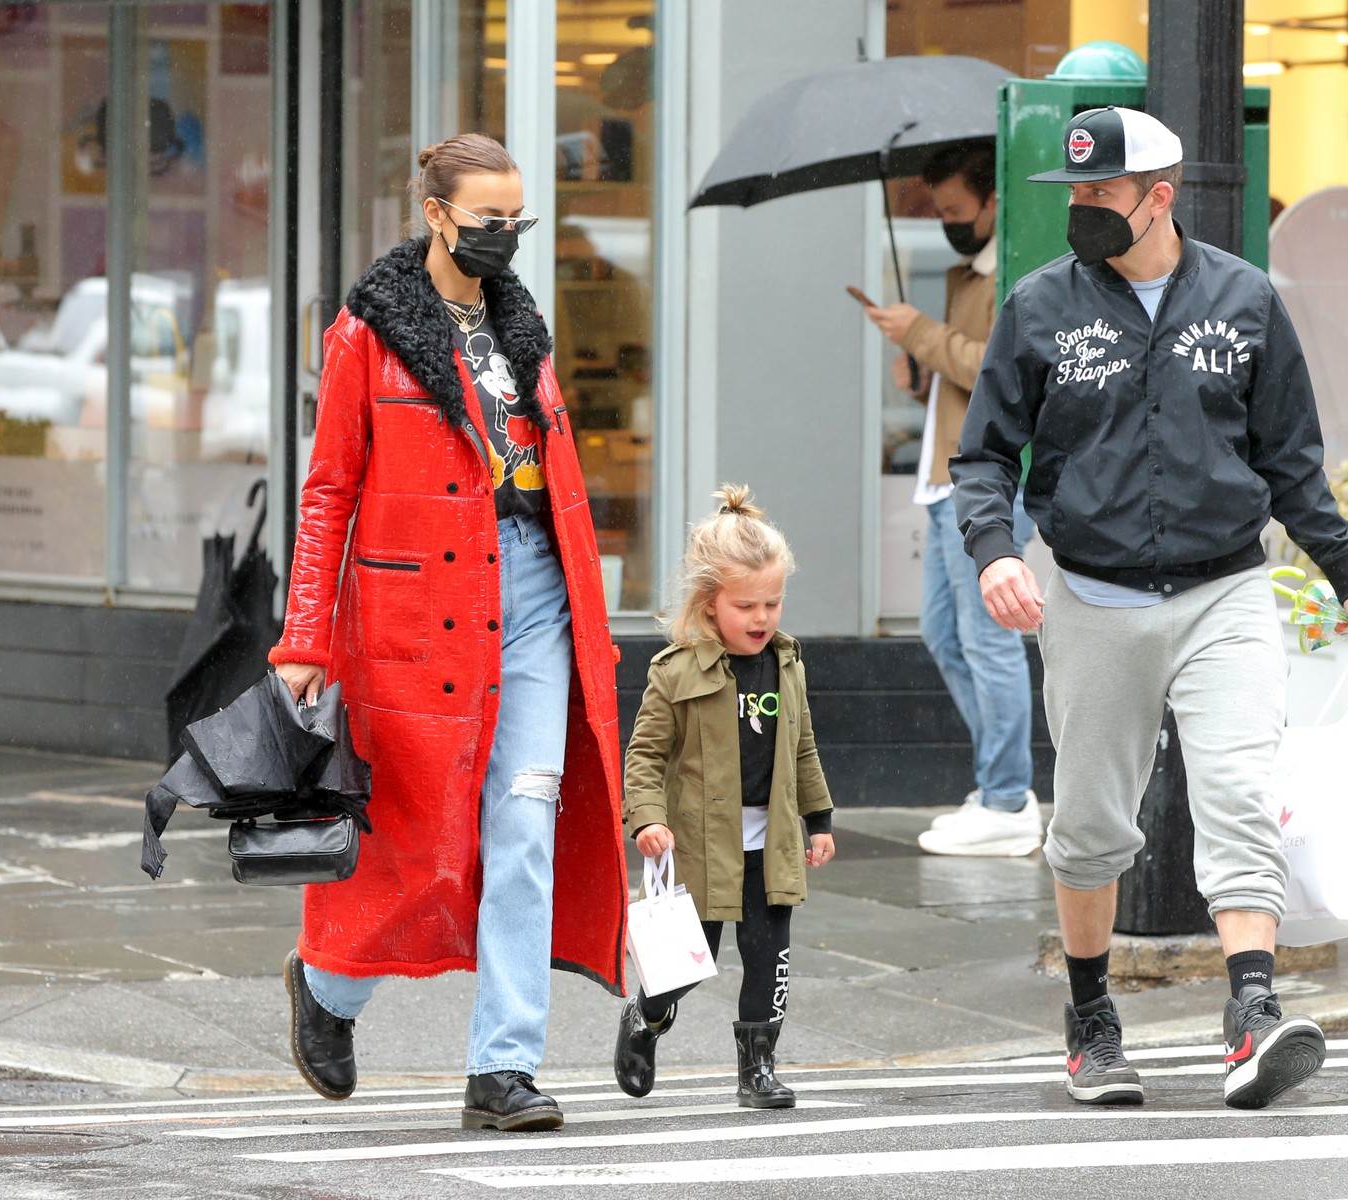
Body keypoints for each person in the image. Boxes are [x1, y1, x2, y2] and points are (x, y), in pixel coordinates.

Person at [952, 107, 1348, 1111]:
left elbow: (1293, 463)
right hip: (1091, 592)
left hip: (1224, 591)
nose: (1080, 208)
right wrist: (991, 554)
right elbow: (984, 454)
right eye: (1072, 192)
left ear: (1160, 196)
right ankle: (1091, 1021)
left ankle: (1251, 1015)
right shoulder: (1039, 308)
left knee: (1238, 792)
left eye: (1099, 192)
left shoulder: (1245, 302)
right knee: (1093, 823)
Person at [267, 133, 628, 1132]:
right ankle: (330, 990)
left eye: (517, 222)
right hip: (416, 612)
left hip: (536, 602)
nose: (504, 239)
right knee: (418, 840)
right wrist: (304, 637)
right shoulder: (367, 331)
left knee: (522, 831)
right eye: (486, 223)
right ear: (435, 215)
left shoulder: (524, 326)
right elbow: (328, 489)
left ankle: (503, 1068)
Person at [613, 485, 836, 1109]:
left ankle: (757, 1070)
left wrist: (818, 821)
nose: (763, 618)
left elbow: (803, 750)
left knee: (769, 960)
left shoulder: (787, 665)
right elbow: (645, 757)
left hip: (772, 844)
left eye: (773, 602)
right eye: (747, 606)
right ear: (711, 604)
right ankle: (646, 1019)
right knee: (688, 962)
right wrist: (646, 820)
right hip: (701, 844)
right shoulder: (676, 671)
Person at [864, 141, 1042, 857]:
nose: (947, 222)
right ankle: (1000, 783)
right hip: (946, 475)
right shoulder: (970, 272)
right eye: (938, 211)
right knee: (944, 633)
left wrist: (923, 335)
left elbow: (997, 367)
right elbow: (956, 370)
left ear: (993, 202)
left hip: (986, 480)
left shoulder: (1013, 278)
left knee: (987, 638)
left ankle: (1007, 798)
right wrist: (918, 366)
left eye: (956, 210)